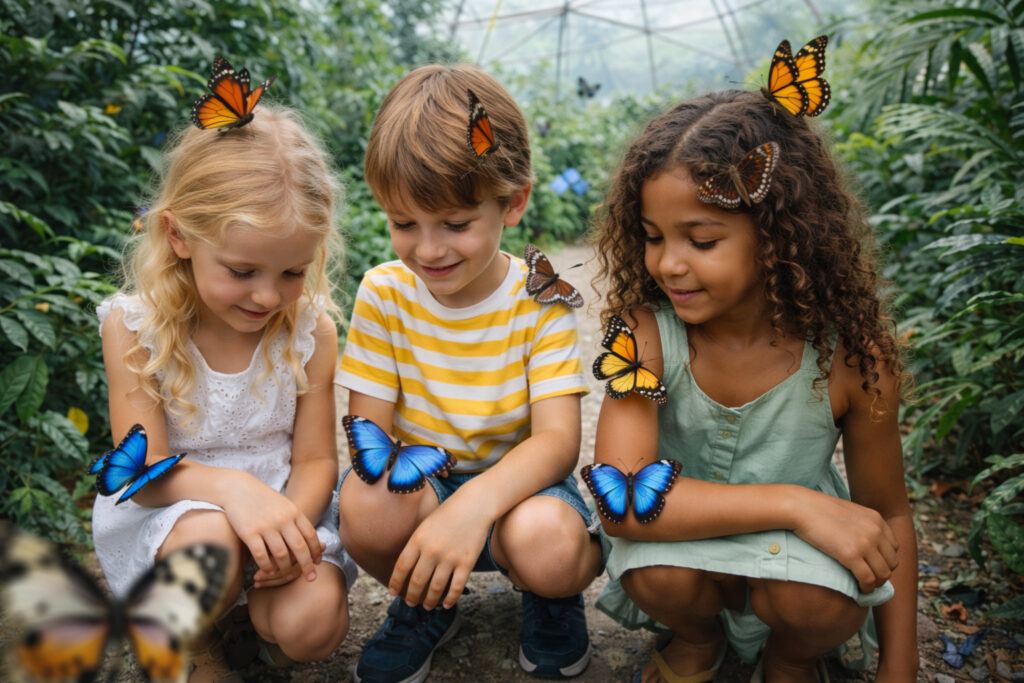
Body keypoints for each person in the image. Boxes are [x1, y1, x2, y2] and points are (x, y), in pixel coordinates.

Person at [589, 88, 918, 683]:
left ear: (778, 236)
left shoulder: (851, 357)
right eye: (653, 236)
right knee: (657, 574)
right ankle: (698, 637)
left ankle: (791, 658)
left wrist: (902, 663)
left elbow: (887, 513)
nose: (668, 264)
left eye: (702, 240)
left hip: (797, 572)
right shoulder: (644, 336)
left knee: (823, 602)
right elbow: (625, 504)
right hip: (684, 555)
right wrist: (798, 505)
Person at [336, 63, 604, 683]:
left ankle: (551, 596)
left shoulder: (540, 299)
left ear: (513, 203)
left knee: (548, 542)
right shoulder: (384, 293)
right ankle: (426, 599)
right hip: (422, 487)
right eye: (404, 223)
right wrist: (442, 509)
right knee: (365, 502)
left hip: (524, 496)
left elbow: (558, 443)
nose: (428, 249)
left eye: (456, 224)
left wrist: (476, 504)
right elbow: (369, 438)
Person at [92, 104, 357, 682]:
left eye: (292, 273)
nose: (268, 297)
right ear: (178, 235)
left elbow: (316, 459)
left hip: (283, 504)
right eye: (242, 271)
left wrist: (285, 530)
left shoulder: (310, 331)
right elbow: (144, 471)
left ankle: (256, 635)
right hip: (176, 512)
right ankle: (198, 643)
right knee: (209, 548)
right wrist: (233, 491)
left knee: (314, 624)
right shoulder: (135, 328)